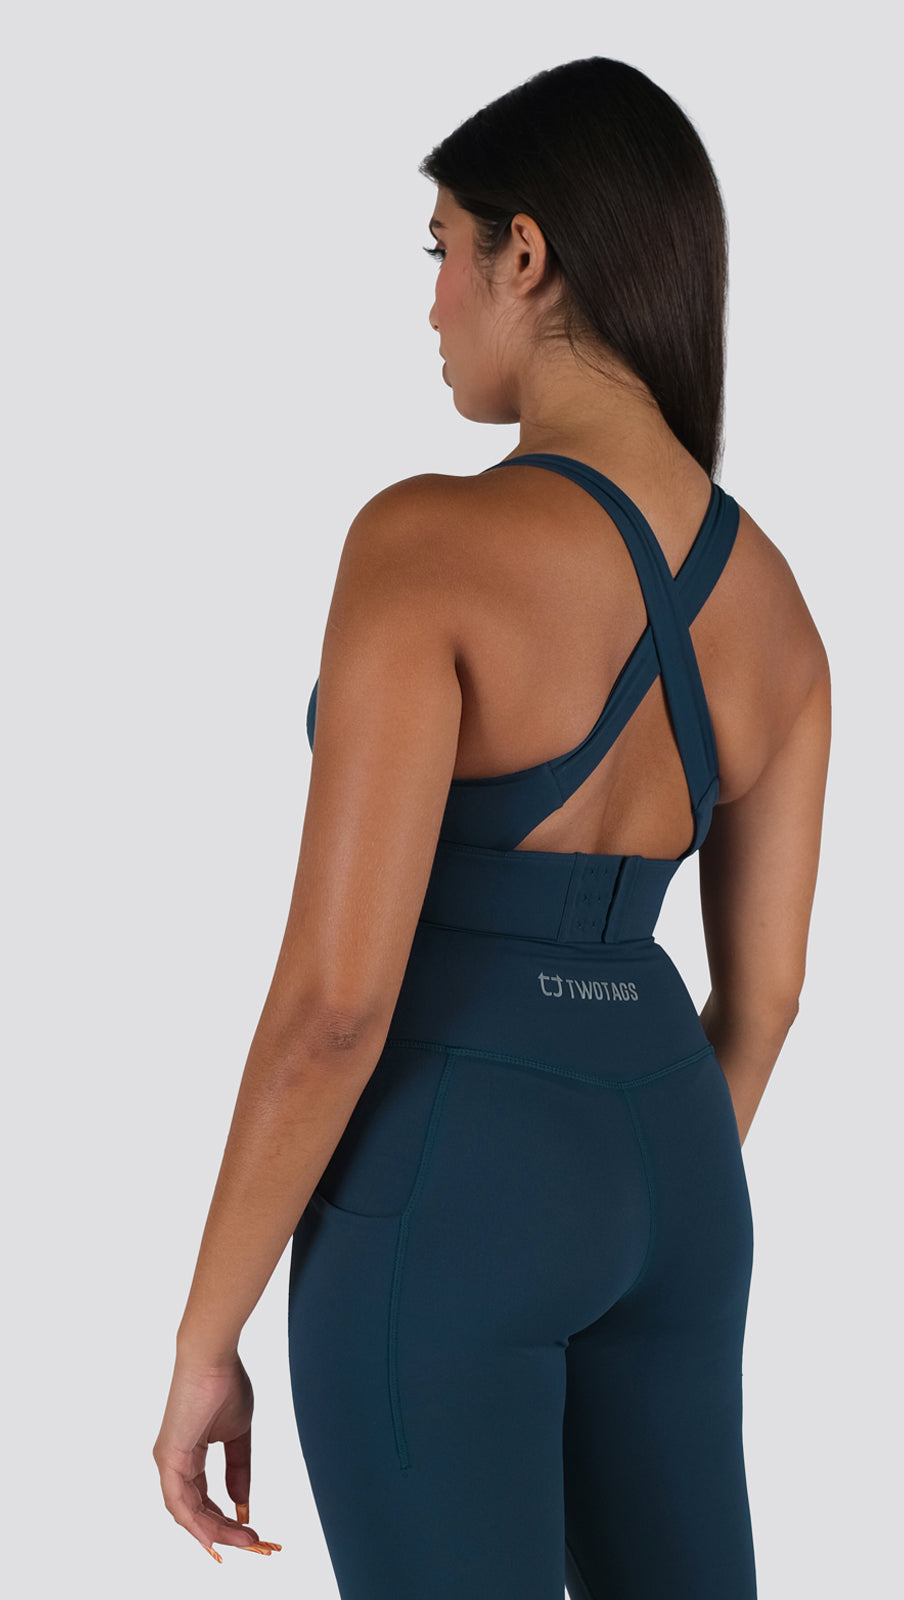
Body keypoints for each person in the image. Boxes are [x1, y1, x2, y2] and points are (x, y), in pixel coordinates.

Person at [153, 54, 831, 1599]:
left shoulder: (427, 543)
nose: (433, 305)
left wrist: (206, 1334)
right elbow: (771, 997)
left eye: (443, 251)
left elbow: (336, 1005)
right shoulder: (778, 607)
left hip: (449, 1179)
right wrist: (617, 1179)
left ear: (527, 254)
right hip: (677, 1176)